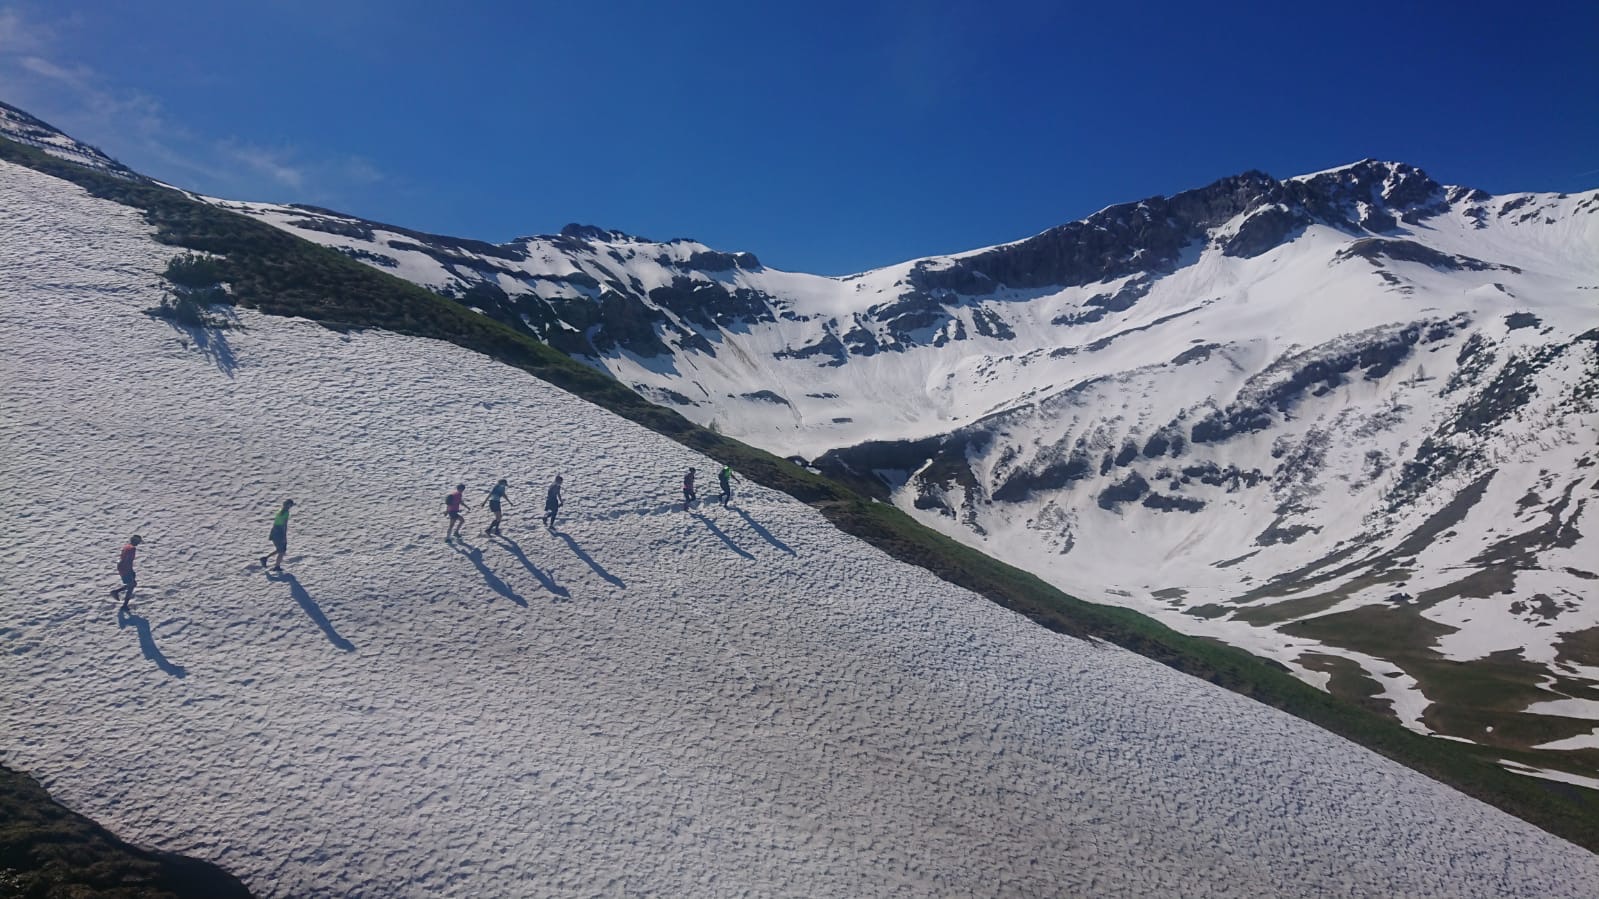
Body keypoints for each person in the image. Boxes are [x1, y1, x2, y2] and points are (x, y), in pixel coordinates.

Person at [260, 500, 294, 572]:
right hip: (280, 532)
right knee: (281, 551)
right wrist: (284, 537)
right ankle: (277, 567)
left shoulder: (279, 511)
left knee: (280, 549)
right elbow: (284, 525)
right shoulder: (286, 513)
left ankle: (265, 558)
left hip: (274, 531)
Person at [110, 534, 142, 609]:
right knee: (131, 585)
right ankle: (124, 605)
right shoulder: (132, 549)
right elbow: (128, 561)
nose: (139, 543)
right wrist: (130, 571)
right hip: (125, 568)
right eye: (138, 542)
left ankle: (116, 592)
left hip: (121, 567)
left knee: (132, 584)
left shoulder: (127, 546)